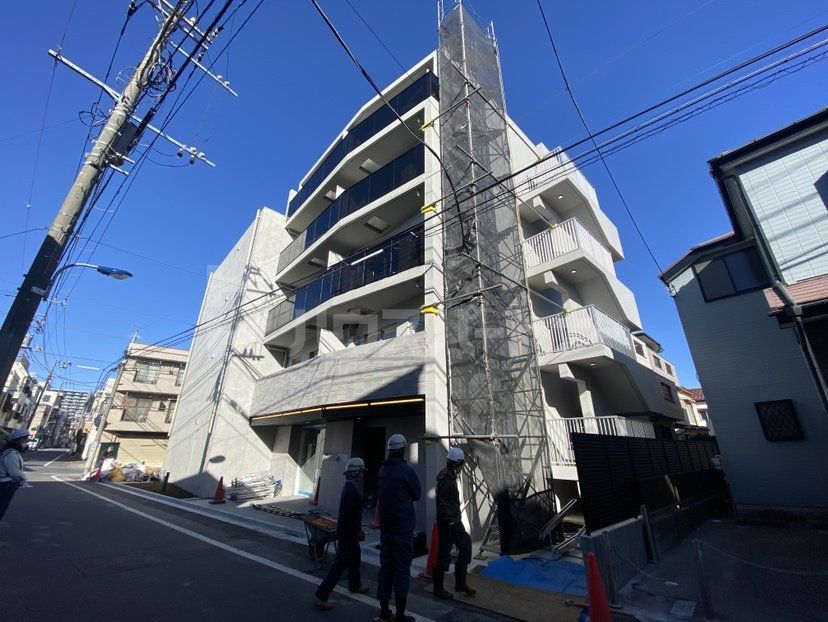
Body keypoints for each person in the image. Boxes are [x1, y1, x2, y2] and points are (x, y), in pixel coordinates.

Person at [314, 457, 370, 610]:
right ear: (357, 472)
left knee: (355, 557)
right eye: (361, 472)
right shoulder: (352, 489)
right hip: (348, 534)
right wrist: (356, 531)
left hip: (348, 532)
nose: (363, 475)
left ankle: (355, 584)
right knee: (339, 564)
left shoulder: (350, 486)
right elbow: (349, 516)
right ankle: (321, 595)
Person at [377, 434, 421, 622]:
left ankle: (384, 611)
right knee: (402, 569)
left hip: (386, 528)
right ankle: (400, 615)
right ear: (402, 450)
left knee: (386, 567)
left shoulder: (383, 470)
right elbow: (418, 493)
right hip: (402, 529)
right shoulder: (405, 470)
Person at [433, 446, 476, 599]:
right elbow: (443, 502)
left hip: (453, 520)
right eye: (461, 464)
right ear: (456, 464)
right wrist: (450, 521)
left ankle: (460, 583)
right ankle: (438, 589)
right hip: (448, 523)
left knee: (465, 545)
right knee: (444, 555)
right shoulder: (446, 479)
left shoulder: (450, 476)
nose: (462, 467)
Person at [0, 428, 30, 521]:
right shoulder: (11, 453)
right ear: (19, 440)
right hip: (5, 485)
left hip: (4, 484)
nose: (27, 442)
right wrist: (23, 478)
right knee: (1, 507)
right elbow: (14, 473)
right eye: (25, 439)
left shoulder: (8, 451)